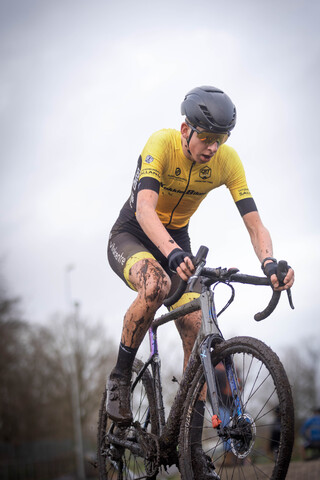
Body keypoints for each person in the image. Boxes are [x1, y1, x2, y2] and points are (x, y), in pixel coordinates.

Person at [106, 85, 295, 478]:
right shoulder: (162, 143)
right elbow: (144, 209)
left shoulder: (227, 161)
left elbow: (254, 221)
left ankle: (190, 447)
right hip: (134, 235)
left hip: (178, 242)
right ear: (185, 129)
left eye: (220, 139)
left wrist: (270, 262)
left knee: (197, 326)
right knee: (155, 286)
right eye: (206, 137)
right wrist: (171, 253)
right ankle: (119, 379)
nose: (212, 147)